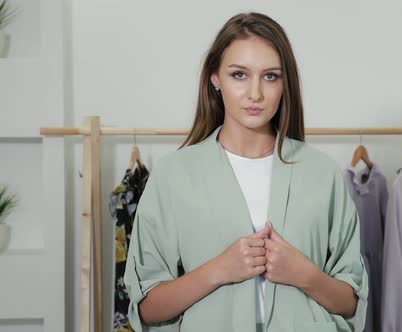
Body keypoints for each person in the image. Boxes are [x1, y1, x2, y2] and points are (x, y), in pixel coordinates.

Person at [124, 12, 368, 332]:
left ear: (285, 83)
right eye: (239, 75)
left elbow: (351, 302)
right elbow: (146, 308)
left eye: (270, 76)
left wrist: (304, 274)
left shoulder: (323, 174)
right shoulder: (173, 175)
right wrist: (219, 269)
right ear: (215, 79)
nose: (255, 93)